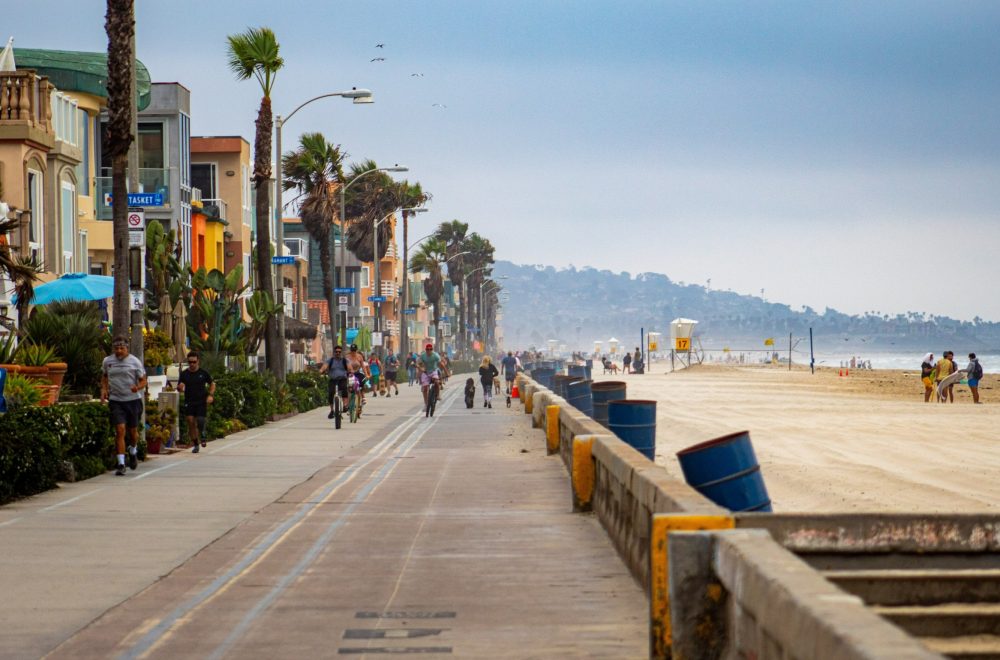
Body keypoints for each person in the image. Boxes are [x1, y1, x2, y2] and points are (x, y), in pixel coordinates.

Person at [100, 336, 147, 476]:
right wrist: (104, 389)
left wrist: (137, 387)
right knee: (120, 430)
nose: (119, 351)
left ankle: (133, 450)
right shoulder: (108, 361)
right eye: (116, 348)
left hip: (132, 400)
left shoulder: (135, 362)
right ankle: (121, 463)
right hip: (116, 401)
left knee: (132, 432)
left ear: (127, 348)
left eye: (122, 348)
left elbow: (144, 381)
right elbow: (104, 376)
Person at [177, 351, 215, 453]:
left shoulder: (203, 373)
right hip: (189, 401)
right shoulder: (184, 374)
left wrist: (210, 395)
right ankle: (195, 444)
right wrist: (180, 388)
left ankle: (202, 433)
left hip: (201, 401)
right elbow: (179, 387)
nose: (192, 364)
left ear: (198, 361)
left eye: (194, 362)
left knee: (200, 420)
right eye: (190, 362)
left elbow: (212, 384)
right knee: (190, 421)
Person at [319, 345, 352, 419]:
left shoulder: (345, 360)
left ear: (341, 353)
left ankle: (344, 406)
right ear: (334, 352)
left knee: (344, 390)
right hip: (333, 380)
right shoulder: (330, 360)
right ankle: (332, 411)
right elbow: (324, 366)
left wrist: (350, 371)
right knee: (331, 393)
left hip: (342, 379)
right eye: (336, 352)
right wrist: (321, 371)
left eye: (339, 352)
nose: (338, 353)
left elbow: (349, 367)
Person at [417, 343, 442, 408]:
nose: (429, 351)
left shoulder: (435, 355)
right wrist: (419, 367)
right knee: (425, 389)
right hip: (425, 372)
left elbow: (440, 363)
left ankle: (438, 395)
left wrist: (447, 372)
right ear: (426, 350)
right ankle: (426, 404)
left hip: (434, 371)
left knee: (436, 382)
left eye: (430, 349)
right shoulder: (423, 356)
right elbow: (418, 364)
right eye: (427, 349)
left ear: (432, 350)